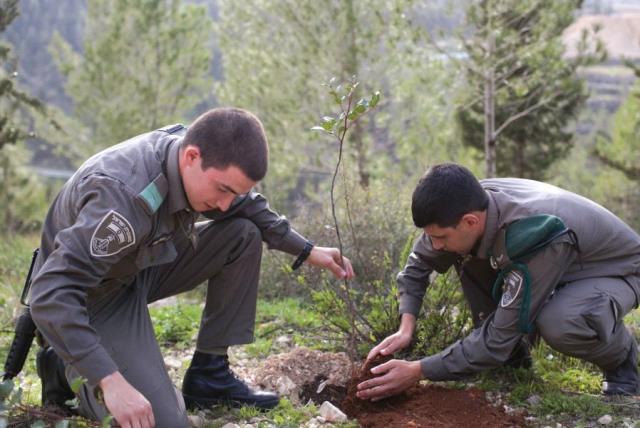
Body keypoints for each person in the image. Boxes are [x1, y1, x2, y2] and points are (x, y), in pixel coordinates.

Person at [28, 107, 354, 428]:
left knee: (242, 233)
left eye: (235, 192)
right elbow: (49, 293)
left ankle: (209, 376)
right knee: (163, 422)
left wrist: (308, 250)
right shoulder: (122, 197)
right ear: (191, 157)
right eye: (223, 189)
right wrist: (109, 381)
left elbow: (247, 206)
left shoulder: (197, 156)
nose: (226, 204)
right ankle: (64, 366)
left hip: (140, 262)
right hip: (91, 297)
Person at [357, 163, 640, 401]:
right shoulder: (464, 202)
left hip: (615, 270)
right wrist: (406, 327)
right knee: (463, 252)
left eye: (440, 237)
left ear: (470, 221)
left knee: (560, 320)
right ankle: (513, 356)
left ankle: (622, 360)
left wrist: (418, 370)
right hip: (557, 262)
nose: (435, 245)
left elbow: (494, 342)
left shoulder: (530, 233)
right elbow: (419, 263)